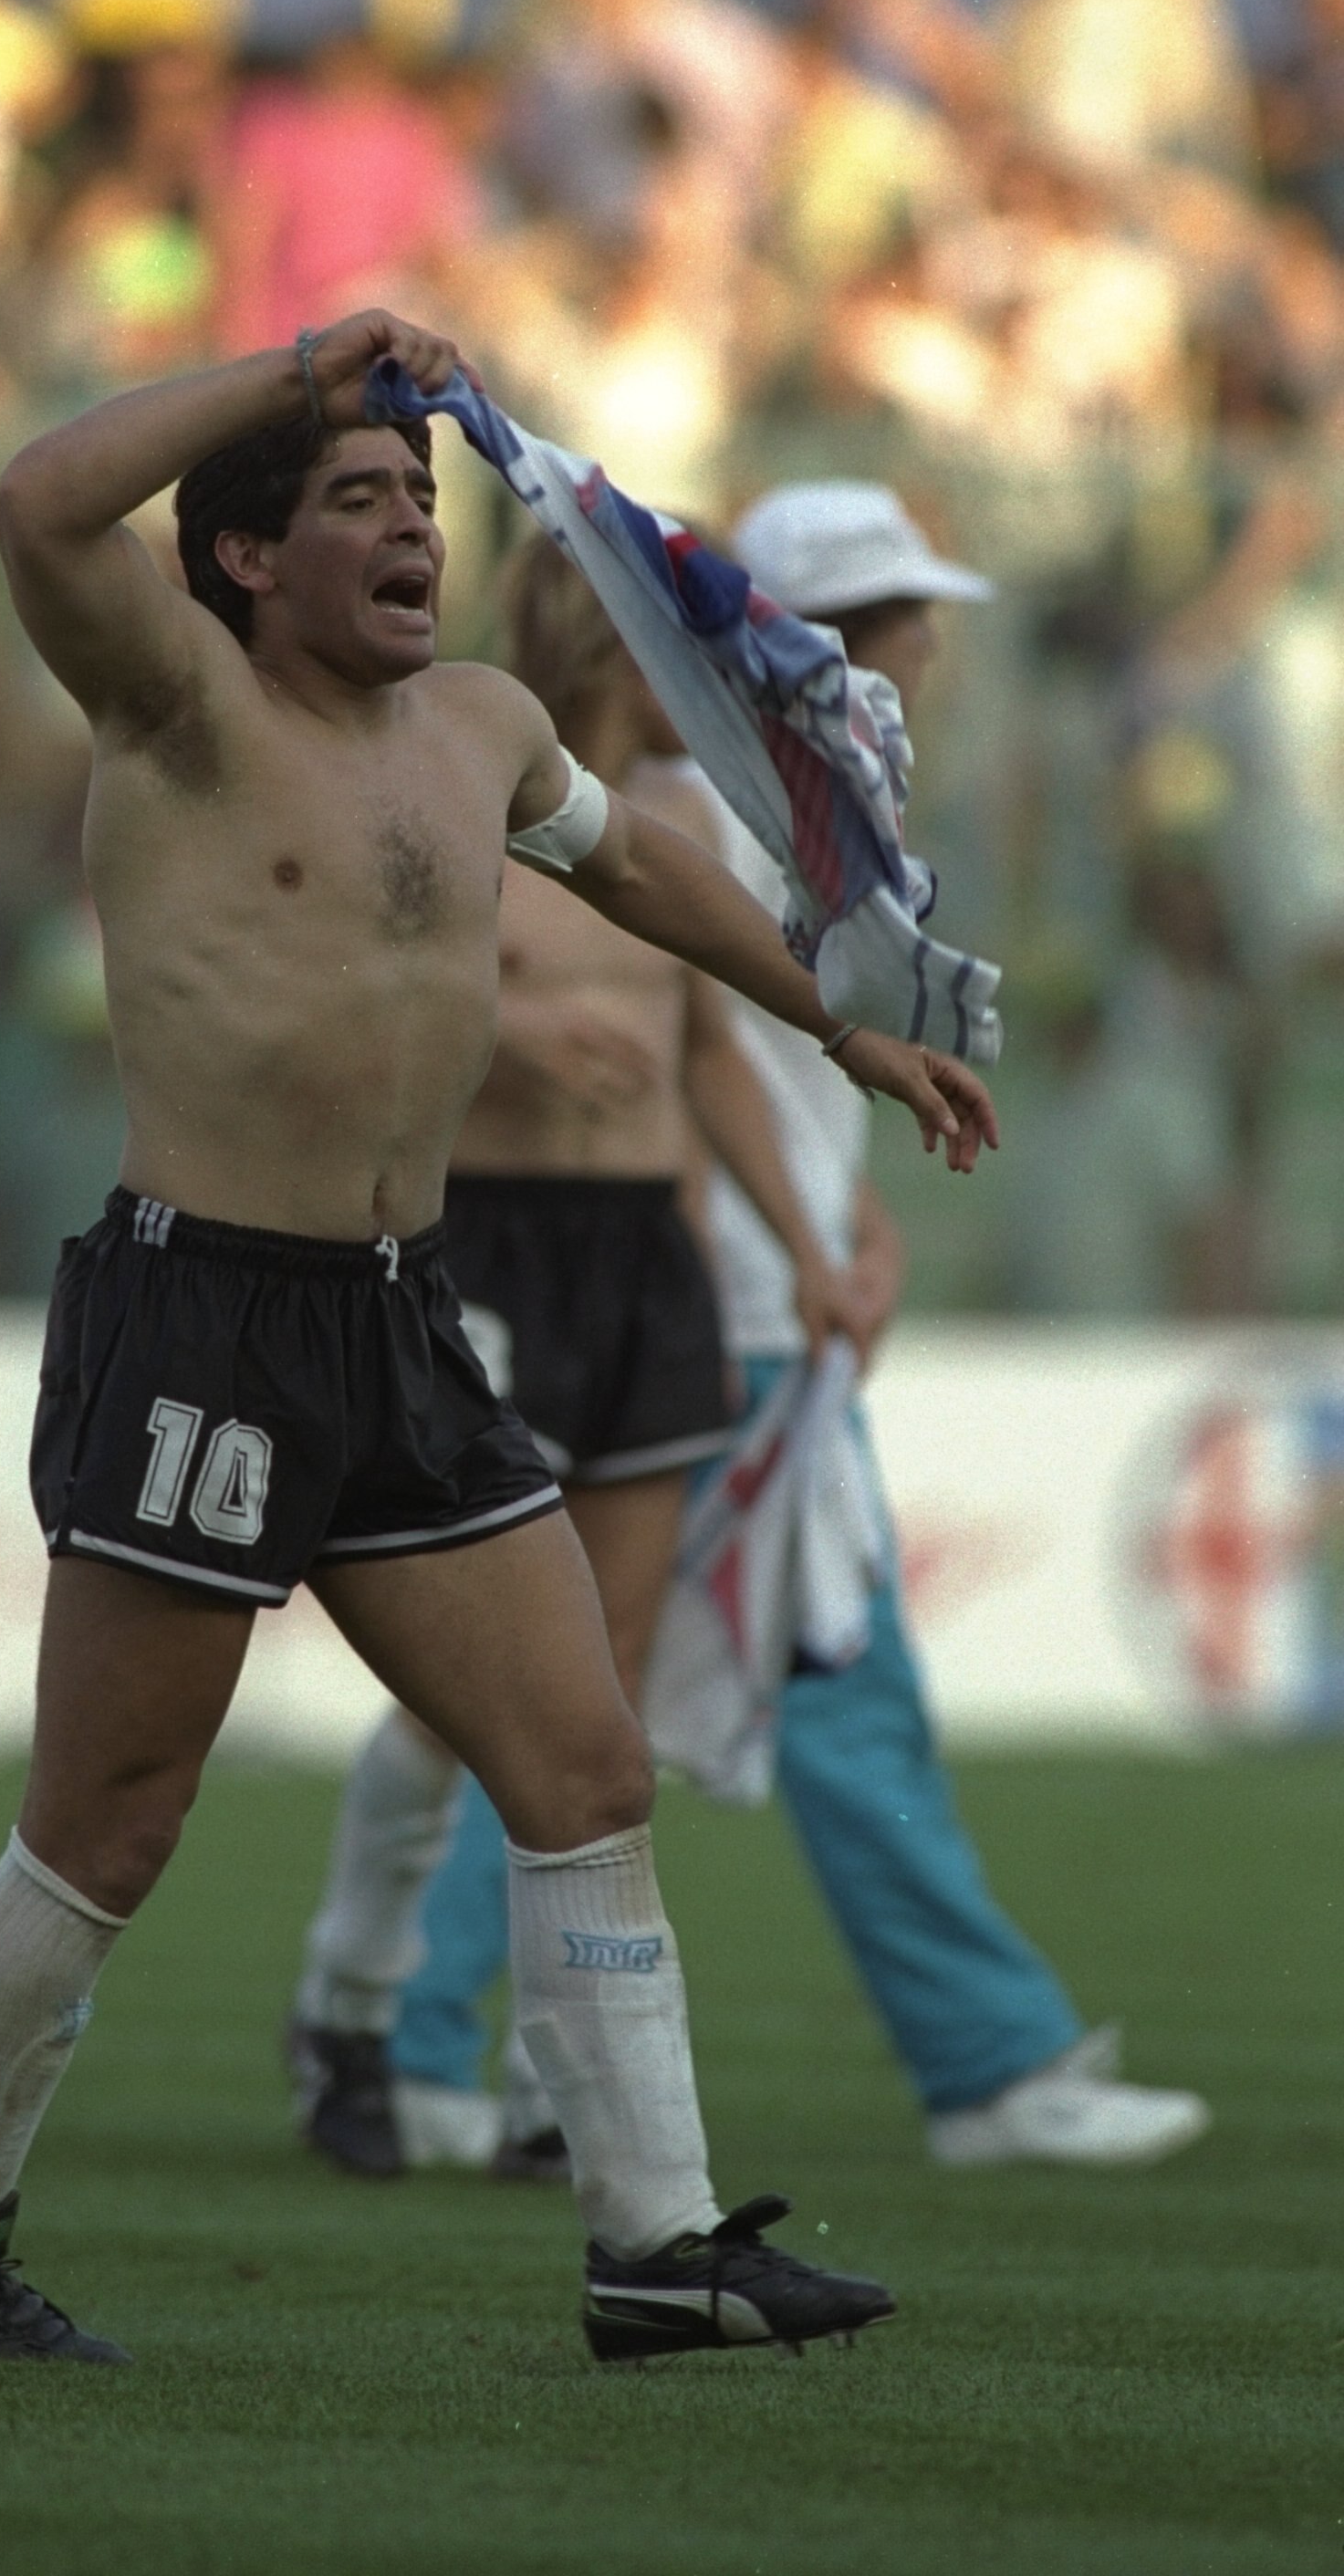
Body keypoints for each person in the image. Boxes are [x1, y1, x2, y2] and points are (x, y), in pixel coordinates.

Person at [0, 310, 998, 2368]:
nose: (410, 529)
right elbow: (37, 498)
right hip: (204, 1322)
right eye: (356, 499)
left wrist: (841, 1023)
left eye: (420, 499)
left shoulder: (477, 728)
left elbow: (636, 865)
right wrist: (297, 368)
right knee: (106, 1826)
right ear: (249, 559)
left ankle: (654, 2247)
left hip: (399, 1321)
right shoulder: (173, 696)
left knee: (580, 1762)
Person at [374, 484, 1212, 2176]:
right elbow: (704, 1078)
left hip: (764, 1305)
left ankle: (413, 2040)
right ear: (814, 638)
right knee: (821, 1694)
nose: (927, 651)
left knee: (584, 1704)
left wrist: (855, 1226)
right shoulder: (721, 810)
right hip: (738, 1329)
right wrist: (792, 1257)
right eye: (897, 622)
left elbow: (766, 1078)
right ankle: (990, 2065)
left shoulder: (766, 806)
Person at [289, 530, 864, 2176]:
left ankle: (560, 2082)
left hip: (645, 1266)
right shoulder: (475, 801)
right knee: (467, 1688)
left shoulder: (681, 826)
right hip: (499, 1246)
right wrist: (516, 1024)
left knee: (597, 1698)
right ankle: (349, 1999)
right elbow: (360, 999)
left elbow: (717, 1068)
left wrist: (808, 1250)